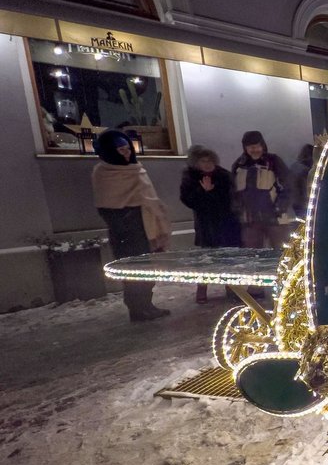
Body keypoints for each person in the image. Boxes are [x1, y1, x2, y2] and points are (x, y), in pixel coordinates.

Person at [91, 129, 171, 322]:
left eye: (128, 148)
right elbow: (105, 206)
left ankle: (147, 304)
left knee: (148, 269)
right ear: (110, 151)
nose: (126, 153)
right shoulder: (104, 173)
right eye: (120, 149)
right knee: (133, 271)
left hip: (147, 228)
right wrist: (127, 220)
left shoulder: (136, 168)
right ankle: (137, 309)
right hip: (126, 231)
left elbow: (149, 197)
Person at [180, 145, 240, 304]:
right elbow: (189, 200)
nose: (207, 164)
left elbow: (231, 199)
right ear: (196, 163)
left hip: (226, 222)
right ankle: (202, 291)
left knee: (228, 257)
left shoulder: (223, 176)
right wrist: (204, 192)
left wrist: (212, 192)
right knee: (206, 259)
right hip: (206, 224)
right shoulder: (191, 178)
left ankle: (232, 289)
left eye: (209, 160)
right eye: (203, 161)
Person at [231, 130, 292, 249]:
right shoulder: (239, 165)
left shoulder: (274, 161)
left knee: (282, 254)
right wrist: (238, 209)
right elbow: (233, 191)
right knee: (253, 256)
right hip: (249, 220)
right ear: (245, 148)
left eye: (257, 146)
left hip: (275, 219)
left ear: (262, 145)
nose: (255, 150)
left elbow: (288, 185)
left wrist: (280, 207)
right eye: (250, 147)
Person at [289, 143, 315, 218]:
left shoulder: (293, 167)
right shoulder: (306, 171)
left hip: (293, 204)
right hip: (303, 205)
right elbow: (306, 191)